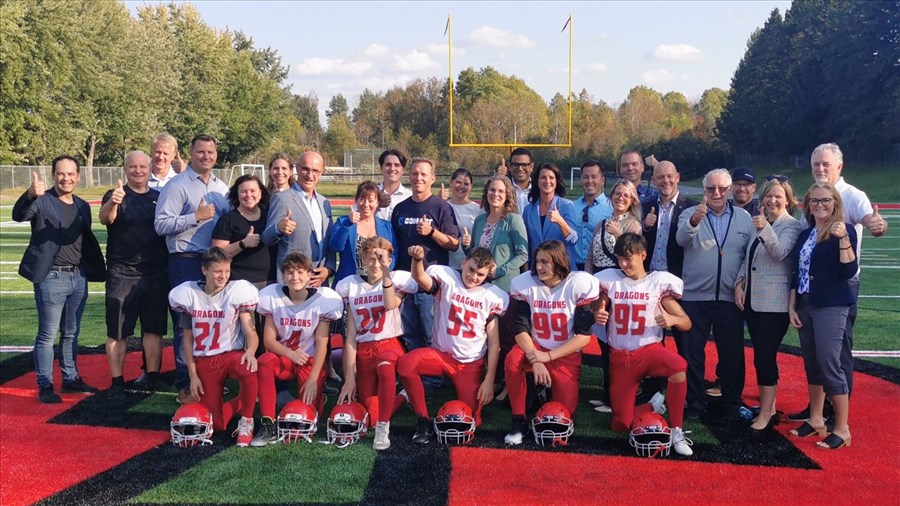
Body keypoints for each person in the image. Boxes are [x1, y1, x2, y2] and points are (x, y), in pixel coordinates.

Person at [787, 142, 888, 422]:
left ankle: (838, 414)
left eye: (826, 164)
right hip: (811, 289)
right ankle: (818, 410)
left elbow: (872, 221)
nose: (820, 169)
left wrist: (878, 224)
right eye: (816, 164)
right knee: (815, 354)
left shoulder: (853, 195)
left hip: (839, 286)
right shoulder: (812, 197)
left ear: (839, 167)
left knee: (836, 351)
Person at [14, 155, 105, 403]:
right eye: (61, 173)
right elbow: (19, 216)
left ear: (78, 176)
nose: (66, 178)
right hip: (51, 276)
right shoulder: (43, 201)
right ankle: (45, 385)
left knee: (71, 333)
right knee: (47, 334)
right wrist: (30, 194)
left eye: (71, 174)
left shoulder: (83, 206)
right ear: (54, 175)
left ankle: (70, 379)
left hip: (78, 276)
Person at [593, 233, 694, 456]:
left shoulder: (658, 283)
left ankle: (677, 429)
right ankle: (652, 405)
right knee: (620, 423)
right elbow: (600, 304)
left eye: (628, 258)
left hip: (650, 351)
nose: (623, 264)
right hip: (620, 357)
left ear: (643, 255)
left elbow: (686, 322)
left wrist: (673, 320)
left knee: (678, 366)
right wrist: (598, 312)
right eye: (619, 259)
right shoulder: (611, 280)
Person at [398, 246, 508, 444]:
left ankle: (404, 398)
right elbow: (420, 277)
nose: (474, 277)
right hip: (440, 354)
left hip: (470, 364)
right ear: (463, 263)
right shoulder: (448, 281)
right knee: (406, 365)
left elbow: (494, 343)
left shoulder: (492, 296)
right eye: (471, 269)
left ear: (488, 273)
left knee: (471, 419)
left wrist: (489, 379)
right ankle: (423, 420)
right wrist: (417, 260)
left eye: (480, 274)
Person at [155, 134, 231, 404]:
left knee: (212, 322)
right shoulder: (177, 186)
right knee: (185, 325)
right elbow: (161, 225)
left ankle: (211, 379)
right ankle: (185, 383)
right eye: (200, 152)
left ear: (216, 155)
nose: (206, 156)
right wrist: (194, 217)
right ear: (191, 153)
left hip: (215, 262)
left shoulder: (222, 188)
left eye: (210, 152)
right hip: (186, 260)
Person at [676, 168, 755, 422]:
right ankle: (695, 401)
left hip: (730, 298)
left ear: (730, 190)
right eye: (711, 189)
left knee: (732, 354)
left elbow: (748, 256)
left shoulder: (744, 217)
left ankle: (731, 402)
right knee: (692, 354)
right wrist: (694, 222)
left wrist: (741, 281)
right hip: (695, 297)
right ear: (704, 191)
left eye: (722, 188)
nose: (717, 193)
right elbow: (680, 240)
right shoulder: (690, 213)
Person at [504, 240, 600, 445]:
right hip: (535, 348)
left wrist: (547, 357)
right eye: (537, 261)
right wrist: (537, 360)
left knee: (565, 411)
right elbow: (520, 329)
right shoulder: (525, 284)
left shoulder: (579, 283)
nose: (539, 267)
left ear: (559, 262)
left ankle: (541, 391)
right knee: (513, 359)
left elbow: (584, 337)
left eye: (545, 262)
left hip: (564, 353)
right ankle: (518, 420)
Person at [787, 182, 858, 449]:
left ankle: (842, 428)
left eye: (825, 200)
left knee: (830, 364)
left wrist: (844, 239)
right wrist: (792, 306)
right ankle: (816, 419)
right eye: (814, 201)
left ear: (835, 203)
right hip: (805, 303)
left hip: (831, 305)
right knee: (812, 364)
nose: (820, 205)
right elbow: (797, 273)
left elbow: (849, 270)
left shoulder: (843, 230)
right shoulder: (806, 234)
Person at [250, 252, 344, 447]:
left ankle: (320, 392)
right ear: (283, 276)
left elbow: (322, 344)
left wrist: (313, 379)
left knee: (307, 416)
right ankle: (268, 422)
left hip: (309, 361)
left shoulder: (323, 300)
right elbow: (268, 340)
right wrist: (290, 354)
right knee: (265, 361)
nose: (295, 277)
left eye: (300, 272)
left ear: (310, 275)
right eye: (290, 273)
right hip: (285, 359)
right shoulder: (273, 297)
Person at [168, 247, 260, 447]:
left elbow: (250, 331)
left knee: (248, 368)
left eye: (226, 271)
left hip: (231, 355)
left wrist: (251, 351)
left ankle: (247, 422)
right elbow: (187, 341)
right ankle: (242, 400)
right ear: (205, 270)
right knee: (216, 424)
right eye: (218, 271)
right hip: (205, 360)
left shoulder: (236, 291)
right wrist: (192, 375)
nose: (223, 276)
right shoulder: (189, 294)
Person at [336, 238, 419, 450]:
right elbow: (351, 337)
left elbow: (391, 304)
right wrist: (349, 378)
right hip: (364, 350)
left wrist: (386, 274)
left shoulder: (397, 280)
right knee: (370, 415)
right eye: (371, 258)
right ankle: (402, 396)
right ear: (363, 259)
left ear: (389, 260)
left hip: (388, 344)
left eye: (381, 259)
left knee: (385, 367)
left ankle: (384, 427)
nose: (375, 263)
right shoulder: (350, 286)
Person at [100, 151, 170, 399]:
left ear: (149, 168)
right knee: (117, 331)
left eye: (142, 166)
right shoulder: (115, 195)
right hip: (122, 273)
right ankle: (117, 382)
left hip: (155, 272)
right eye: (133, 167)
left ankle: (152, 377)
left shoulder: (160, 197)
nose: (138, 171)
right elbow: (105, 219)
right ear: (125, 169)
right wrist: (114, 202)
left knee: (153, 329)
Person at [734, 176, 802, 432]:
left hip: (773, 305)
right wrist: (740, 283)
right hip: (753, 299)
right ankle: (768, 407)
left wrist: (764, 228)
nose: (772, 200)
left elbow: (780, 252)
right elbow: (747, 258)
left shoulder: (790, 226)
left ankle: (766, 413)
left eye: (778, 196)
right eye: (768, 196)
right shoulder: (761, 223)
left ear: (788, 200)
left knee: (765, 358)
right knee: (761, 357)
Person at [391, 157, 460, 377]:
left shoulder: (441, 207)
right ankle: (413, 375)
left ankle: (433, 378)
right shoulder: (400, 209)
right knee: (409, 333)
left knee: (432, 334)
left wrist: (432, 232)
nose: (418, 178)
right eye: (415, 173)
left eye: (423, 174)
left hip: (430, 285)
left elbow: (454, 243)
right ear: (409, 176)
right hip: (404, 283)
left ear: (432, 178)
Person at [262, 151, 335, 287]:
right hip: (293, 283)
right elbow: (266, 237)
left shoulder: (324, 202)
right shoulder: (282, 198)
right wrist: (278, 228)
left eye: (315, 171)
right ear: (297, 168)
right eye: (306, 169)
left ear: (321, 173)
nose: (310, 175)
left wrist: (329, 269)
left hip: (319, 282)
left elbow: (329, 240)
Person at [330, 181, 396, 286]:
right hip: (348, 285)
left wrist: (382, 274)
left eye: (370, 200)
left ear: (377, 202)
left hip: (378, 286)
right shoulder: (343, 222)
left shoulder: (387, 226)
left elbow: (394, 255)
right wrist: (348, 224)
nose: (366, 204)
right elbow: (335, 246)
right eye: (361, 199)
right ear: (356, 201)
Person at [212, 175, 271, 289]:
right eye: (244, 191)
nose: (248, 195)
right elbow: (217, 254)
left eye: (253, 191)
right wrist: (243, 243)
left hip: (270, 282)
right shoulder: (228, 219)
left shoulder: (270, 216)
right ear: (237, 194)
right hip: (239, 283)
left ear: (261, 193)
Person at [641, 160, 698, 279]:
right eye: (660, 177)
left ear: (677, 177)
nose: (666, 181)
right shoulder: (645, 207)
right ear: (653, 180)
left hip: (678, 277)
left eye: (670, 176)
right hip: (648, 276)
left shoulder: (692, 208)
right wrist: (644, 226)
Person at [522, 162, 579, 266]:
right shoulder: (528, 210)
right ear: (537, 181)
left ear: (556, 181)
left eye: (551, 177)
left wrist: (560, 221)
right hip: (537, 270)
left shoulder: (566, 205)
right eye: (543, 177)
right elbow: (526, 245)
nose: (547, 181)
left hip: (561, 269)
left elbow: (573, 240)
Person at [586, 180, 642, 274]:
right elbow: (590, 257)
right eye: (618, 193)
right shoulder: (601, 224)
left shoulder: (634, 225)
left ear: (632, 201)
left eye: (626, 195)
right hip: (597, 277)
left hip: (620, 278)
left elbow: (633, 256)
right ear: (611, 196)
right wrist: (589, 278)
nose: (621, 198)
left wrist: (618, 234)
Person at [572, 160, 613, 271]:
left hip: (600, 269)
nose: (589, 181)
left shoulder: (612, 208)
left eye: (594, 177)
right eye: (585, 177)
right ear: (581, 179)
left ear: (602, 180)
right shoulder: (571, 207)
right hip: (573, 269)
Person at [443, 168, 482, 271]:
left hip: (471, 267)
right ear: (451, 182)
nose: (462, 187)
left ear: (471, 186)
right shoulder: (442, 207)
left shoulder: (478, 210)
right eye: (458, 182)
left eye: (466, 184)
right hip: (447, 265)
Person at [375, 149, 413, 221]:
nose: (392, 168)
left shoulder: (411, 197)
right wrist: (376, 204)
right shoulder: (369, 194)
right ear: (381, 168)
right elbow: (357, 219)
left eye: (397, 165)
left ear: (403, 170)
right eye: (388, 165)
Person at [495, 148, 534, 213]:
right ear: (509, 166)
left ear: (531, 167)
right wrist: (498, 180)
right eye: (516, 165)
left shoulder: (539, 189)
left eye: (524, 165)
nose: (520, 169)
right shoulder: (503, 189)